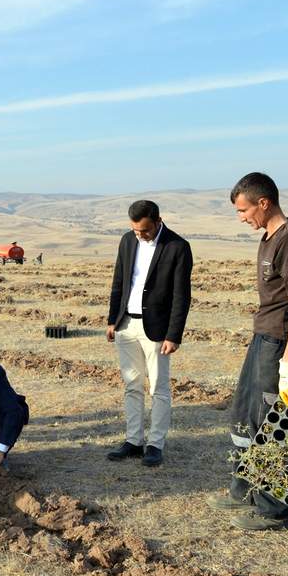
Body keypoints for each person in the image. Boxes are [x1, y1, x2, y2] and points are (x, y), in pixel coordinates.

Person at [208, 172, 288, 531]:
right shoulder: (269, 237)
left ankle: (275, 510)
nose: (241, 218)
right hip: (262, 338)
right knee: (245, 416)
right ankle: (244, 489)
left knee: (276, 425)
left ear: (263, 203)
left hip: (279, 345)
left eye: (243, 210)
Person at [105, 200, 193, 467]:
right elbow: (119, 281)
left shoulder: (178, 247)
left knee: (159, 388)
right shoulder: (127, 241)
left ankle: (155, 444)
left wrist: (173, 335)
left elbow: (181, 296)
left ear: (157, 221)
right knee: (132, 385)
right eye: (135, 230)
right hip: (126, 326)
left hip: (157, 330)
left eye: (144, 230)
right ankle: (133, 441)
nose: (139, 235)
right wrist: (112, 319)